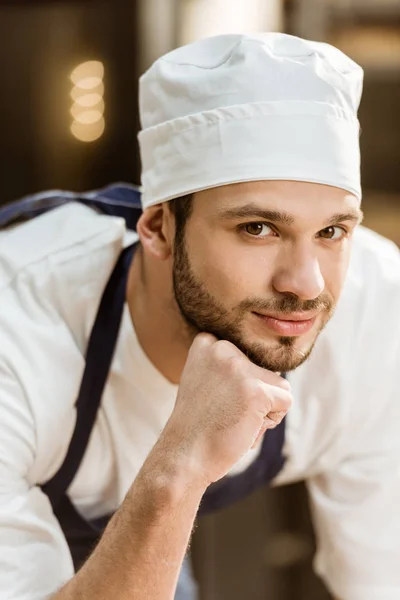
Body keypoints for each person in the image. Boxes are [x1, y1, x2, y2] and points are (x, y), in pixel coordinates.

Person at [0, 31, 399, 600]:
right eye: (258, 229)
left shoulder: (376, 312)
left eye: (332, 231)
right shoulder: (17, 328)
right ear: (159, 227)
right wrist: (181, 462)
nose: (305, 284)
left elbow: (381, 579)